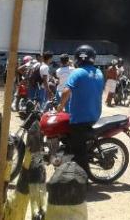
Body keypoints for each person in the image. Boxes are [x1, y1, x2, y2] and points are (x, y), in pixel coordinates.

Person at [57, 45, 104, 174]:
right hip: (94, 115)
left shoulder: (77, 72)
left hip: (79, 118)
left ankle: (83, 178)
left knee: (78, 150)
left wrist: (60, 107)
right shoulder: (99, 72)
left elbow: (66, 92)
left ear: (77, 58)